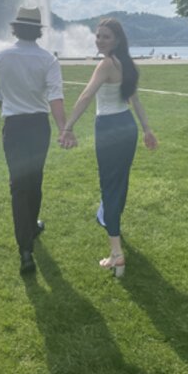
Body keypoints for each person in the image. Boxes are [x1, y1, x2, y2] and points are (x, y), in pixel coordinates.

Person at [60, 18, 158, 277]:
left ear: (117, 40)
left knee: (110, 186)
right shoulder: (126, 64)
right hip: (126, 127)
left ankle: (116, 253)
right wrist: (146, 129)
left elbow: (86, 95)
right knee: (119, 183)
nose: (99, 40)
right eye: (98, 36)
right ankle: (113, 227)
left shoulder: (106, 64)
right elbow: (135, 100)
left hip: (110, 128)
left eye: (105, 36)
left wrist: (67, 127)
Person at [0, 6, 75, 275]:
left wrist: (12, 112)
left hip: (14, 125)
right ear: (38, 31)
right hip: (39, 126)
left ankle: (25, 248)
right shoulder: (47, 59)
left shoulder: (0, 57)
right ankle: (31, 229)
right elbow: (55, 97)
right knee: (35, 179)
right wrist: (64, 129)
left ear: (15, 29)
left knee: (18, 185)